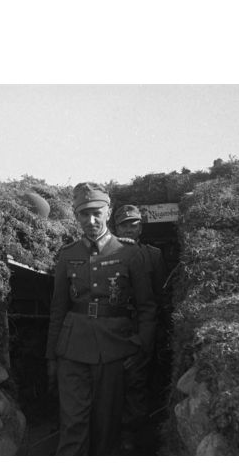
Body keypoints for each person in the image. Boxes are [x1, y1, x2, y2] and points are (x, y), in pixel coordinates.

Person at [45, 183, 156, 456]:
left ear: (109, 212)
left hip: (114, 349)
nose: (91, 221)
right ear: (76, 216)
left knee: (107, 427)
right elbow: (58, 308)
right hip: (72, 349)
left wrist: (142, 345)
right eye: (84, 215)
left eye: (97, 213)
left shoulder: (130, 254)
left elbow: (147, 307)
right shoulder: (68, 255)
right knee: (72, 424)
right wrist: (52, 356)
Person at [113, 204, 166, 453]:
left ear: (141, 227)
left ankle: (132, 438)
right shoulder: (106, 252)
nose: (130, 228)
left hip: (141, 325)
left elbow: (158, 296)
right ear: (115, 227)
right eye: (124, 224)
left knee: (136, 382)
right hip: (112, 327)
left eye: (134, 223)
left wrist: (149, 333)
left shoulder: (153, 255)